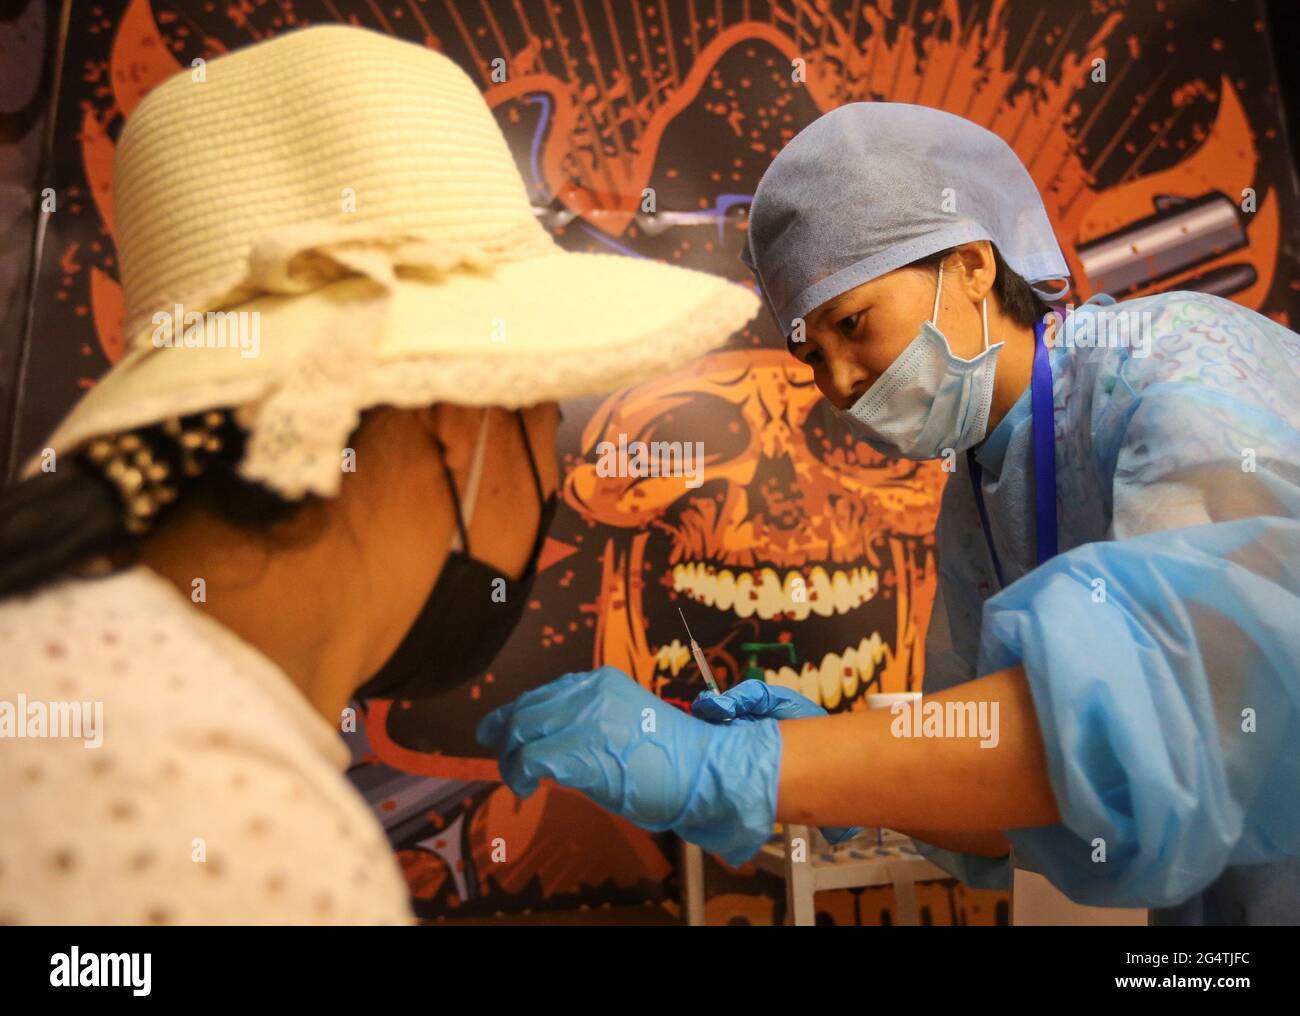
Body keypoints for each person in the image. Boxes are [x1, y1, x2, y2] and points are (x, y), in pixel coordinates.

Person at [0, 25, 758, 924]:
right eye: (544, 419)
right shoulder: (235, 823)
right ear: (458, 418)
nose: (551, 485)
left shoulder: (71, 668)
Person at [477, 102, 1300, 925]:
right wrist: (833, 760)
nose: (837, 382)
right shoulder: (979, 494)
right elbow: (1009, 805)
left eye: (852, 323)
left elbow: (1199, 703)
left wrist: (750, 766)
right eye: (812, 354)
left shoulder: (1183, 365)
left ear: (972, 264)